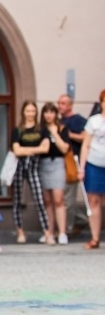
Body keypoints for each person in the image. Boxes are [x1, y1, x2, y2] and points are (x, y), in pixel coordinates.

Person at [11, 101, 51, 244]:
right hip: (19, 167)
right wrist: (35, 149)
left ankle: (47, 232)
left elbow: (45, 149)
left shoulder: (42, 130)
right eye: (28, 111)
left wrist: (25, 150)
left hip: (34, 167)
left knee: (39, 200)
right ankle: (20, 231)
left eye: (33, 111)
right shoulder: (18, 130)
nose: (30, 114)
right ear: (23, 112)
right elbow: (16, 150)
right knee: (17, 200)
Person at [38, 103, 70, 245]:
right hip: (43, 164)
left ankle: (62, 232)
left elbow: (64, 149)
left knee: (58, 199)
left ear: (56, 114)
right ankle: (49, 231)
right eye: (46, 112)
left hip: (57, 164)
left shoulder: (63, 128)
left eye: (52, 112)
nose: (49, 115)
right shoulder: (40, 130)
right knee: (47, 200)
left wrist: (54, 133)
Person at [77, 89, 105, 249]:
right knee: (93, 201)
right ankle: (95, 238)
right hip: (94, 164)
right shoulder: (93, 121)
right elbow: (85, 145)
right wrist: (82, 168)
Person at [58, 94, 88, 236]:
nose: (60, 106)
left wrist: (68, 135)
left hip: (72, 161)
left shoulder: (78, 120)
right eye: (59, 103)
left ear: (70, 105)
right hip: (60, 162)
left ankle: (68, 228)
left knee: (68, 198)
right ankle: (82, 220)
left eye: (63, 103)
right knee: (61, 198)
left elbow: (85, 137)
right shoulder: (59, 120)